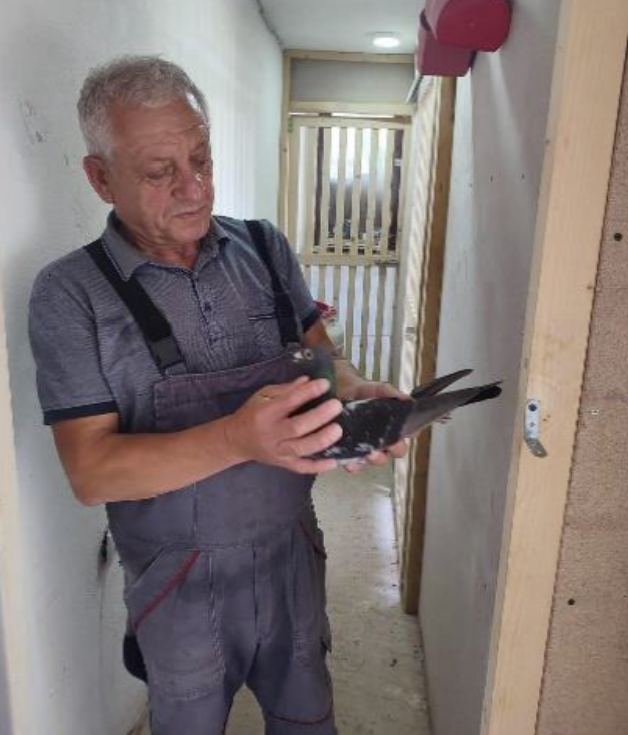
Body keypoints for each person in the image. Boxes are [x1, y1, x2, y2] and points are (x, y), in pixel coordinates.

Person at [28, 55, 407, 735]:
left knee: (307, 716)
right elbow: (91, 472)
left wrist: (354, 396)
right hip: (178, 581)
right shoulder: (70, 294)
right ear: (100, 178)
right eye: (160, 171)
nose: (194, 187)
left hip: (292, 550)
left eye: (201, 159)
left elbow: (320, 357)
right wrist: (236, 438)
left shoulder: (263, 247)